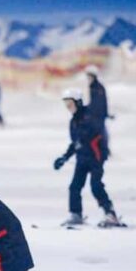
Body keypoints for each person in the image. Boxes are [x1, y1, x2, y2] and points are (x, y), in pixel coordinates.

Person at [54, 89, 121, 227]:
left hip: (95, 158)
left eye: (70, 103)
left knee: (96, 186)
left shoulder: (89, 116)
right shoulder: (73, 122)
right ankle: (75, 213)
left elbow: (96, 135)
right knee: (74, 187)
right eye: (66, 104)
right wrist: (64, 158)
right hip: (82, 159)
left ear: (78, 102)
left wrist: (99, 153)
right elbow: (75, 143)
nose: (68, 107)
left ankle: (110, 213)